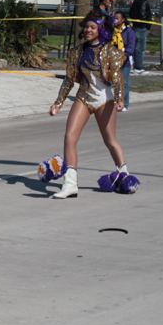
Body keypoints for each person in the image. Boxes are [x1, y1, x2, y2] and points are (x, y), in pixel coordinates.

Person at [47, 12, 128, 199]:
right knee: (69, 137)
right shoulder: (77, 52)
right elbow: (68, 80)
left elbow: (117, 78)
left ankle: (124, 174)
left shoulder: (111, 51)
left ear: (101, 29)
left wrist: (119, 98)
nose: (88, 30)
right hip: (83, 97)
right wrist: (57, 103)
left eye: (93, 27)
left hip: (104, 99)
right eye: (87, 27)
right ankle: (70, 184)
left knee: (110, 140)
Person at [112, 11, 135, 111]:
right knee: (111, 82)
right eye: (114, 18)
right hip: (112, 59)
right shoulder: (111, 30)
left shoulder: (129, 31)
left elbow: (131, 46)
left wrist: (125, 56)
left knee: (124, 82)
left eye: (117, 18)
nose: (115, 20)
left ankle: (124, 103)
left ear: (123, 20)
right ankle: (111, 102)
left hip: (125, 61)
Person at [128, 0, 151, 75]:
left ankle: (131, 65)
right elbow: (142, 14)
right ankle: (138, 67)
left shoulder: (136, 1)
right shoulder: (144, 1)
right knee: (140, 48)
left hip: (135, 27)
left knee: (133, 47)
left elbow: (130, 13)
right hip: (141, 28)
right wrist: (147, 22)